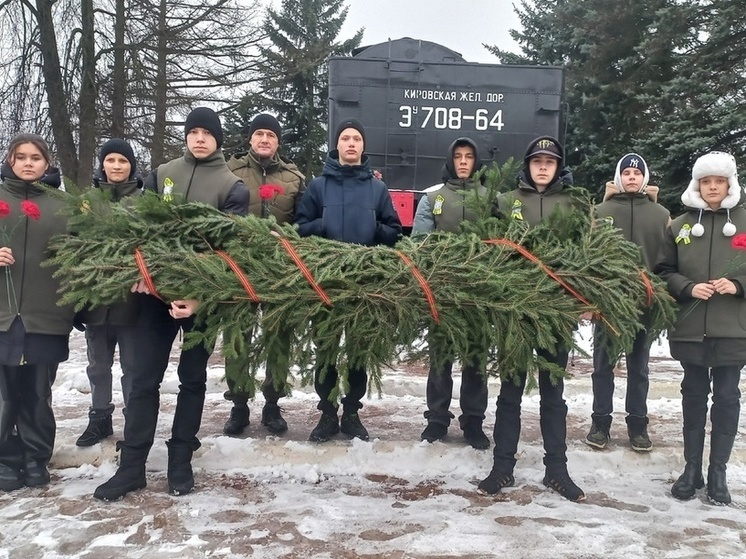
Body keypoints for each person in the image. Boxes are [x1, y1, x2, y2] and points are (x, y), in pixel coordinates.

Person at [94, 107, 249, 501]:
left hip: (202, 303)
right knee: (143, 381)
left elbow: (229, 251)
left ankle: (180, 461)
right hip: (153, 300)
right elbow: (141, 232)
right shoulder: (161, 173)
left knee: (192, 381)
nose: (199, 138)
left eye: (206, 133)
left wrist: (198, 298)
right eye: (193, 131)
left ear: (217, 139)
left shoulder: (233, 186)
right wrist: (142, 274)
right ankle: (131, 468)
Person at [477, 136, 585, 502]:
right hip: (516, 315)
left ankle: (557, 470)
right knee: (510, 392)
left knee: (553, 395)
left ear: (558, 167)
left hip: (554, 315)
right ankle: (502, 467)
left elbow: (585, 259)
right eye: (537, 160)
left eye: (550, 161)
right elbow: (490, 253)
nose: (543, 166)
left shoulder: (573, 205)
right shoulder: (507, 202)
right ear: (527, 166)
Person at [295, 118, 402, 443]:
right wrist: (322, 223)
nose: (351, 143)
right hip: (325, 284)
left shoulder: (377, 188)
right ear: (337, 145)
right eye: (346, 138)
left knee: (358, 351)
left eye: (357, 138)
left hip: (363, 286)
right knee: (325, 350)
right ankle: (327, 415)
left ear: (363, 146)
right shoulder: (318, 186)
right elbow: (300, 227)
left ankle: (352, 413)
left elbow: (394, 230)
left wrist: (375, 228)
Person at [655, 151, 746, 505]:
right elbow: (663, 271)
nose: (712, 188)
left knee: (726, 398)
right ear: (698, 185)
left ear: (729, 184)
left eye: (718, 182)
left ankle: (718, 472)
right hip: (690, 327)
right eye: (706, 182)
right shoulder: (678, 226)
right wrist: (687, 287)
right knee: (693, 397)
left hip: (732, 329)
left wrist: (737, 285)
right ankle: (691, 469)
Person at [0, 134, 75, 492]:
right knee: (4, 393)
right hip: (2, 317)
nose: (28, 163)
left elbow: (81, 260)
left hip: (46, 317)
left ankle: (35, 458)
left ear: (47, 163)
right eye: (21, 157)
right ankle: (6, 459)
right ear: (10, 161)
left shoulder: (64, 206)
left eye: (36, 157)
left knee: (37, 393)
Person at [222, 113, 305, 436]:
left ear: (278, 142)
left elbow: (303, 222)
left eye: (271, 135)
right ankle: (239, 405)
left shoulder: (293, 177)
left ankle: (272, 404)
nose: (265, 140)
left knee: (278, 338)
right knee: (237, 337)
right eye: (259, 134)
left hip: (279, 271)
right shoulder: (231, 172)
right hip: (240, 268)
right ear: (250, 139)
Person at [586, 153, 670, 452]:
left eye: (637, 172)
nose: (632, 177)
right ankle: (600, 422)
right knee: (602, 366)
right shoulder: (600, 211)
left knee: (639, 367)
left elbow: (666, 261)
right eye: (627, 173)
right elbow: (589, 258)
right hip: (609, 303)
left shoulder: (660, 215)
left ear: (644, 178)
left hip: (643, 305)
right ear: (618, 177)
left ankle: (637, 425)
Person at [411, 137, 490, 450]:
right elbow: (420, 244)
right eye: (457, 156)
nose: (463, 161)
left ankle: (473, 420)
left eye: (469, 156)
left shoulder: (489, 198)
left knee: (476, 359)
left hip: (477, 294)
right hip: (442, 293)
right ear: (450, 160)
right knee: (441, 357)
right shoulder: (433, 198)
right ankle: (437, 419)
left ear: (476, 162)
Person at [76, 139, 143, 447]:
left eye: (123, 161)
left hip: (132, 303)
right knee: (98, 364)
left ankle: (133, 423)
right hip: (96, 301)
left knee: (132, 366)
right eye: (111, 160)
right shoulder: (87, 201)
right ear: (102, 164)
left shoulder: (144, 201)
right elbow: (72, 250)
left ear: (131, 166)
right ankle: (99, 417)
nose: (116, 166)